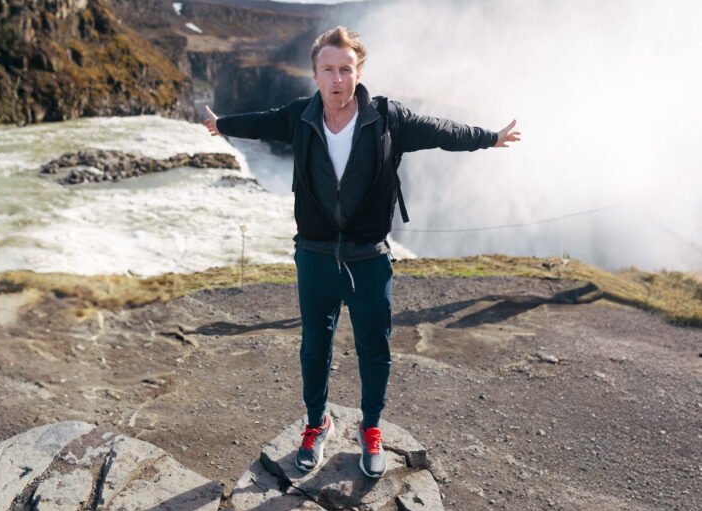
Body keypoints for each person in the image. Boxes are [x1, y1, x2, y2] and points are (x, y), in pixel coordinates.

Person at [204, 25, 520, 478]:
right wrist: (223, 125)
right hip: (313, 255)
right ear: (314, 74)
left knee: (375, 349)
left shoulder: (387, 118)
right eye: (328, 70)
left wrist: (488, 137)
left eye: (345, 69)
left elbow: (442, 130)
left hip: (369, 257)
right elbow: (260, 120)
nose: (337, 79)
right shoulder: (300, 116)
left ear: (359, 72)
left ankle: (370, 429)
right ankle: (317, 423)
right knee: (315, 348)